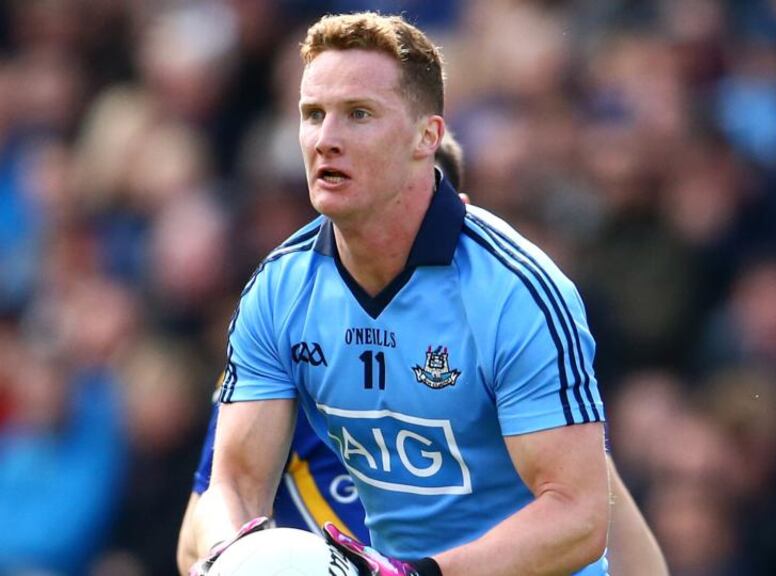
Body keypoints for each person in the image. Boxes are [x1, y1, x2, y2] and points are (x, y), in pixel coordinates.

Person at [190, 12, 617, 576]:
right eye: (312, 115)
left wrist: (423, 575)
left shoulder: (517, 292)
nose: (326, 139)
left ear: (428, 137)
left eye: (358, 115)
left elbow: (580, 516)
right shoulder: (278, 291)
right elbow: (235, 485)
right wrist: (230, 558)